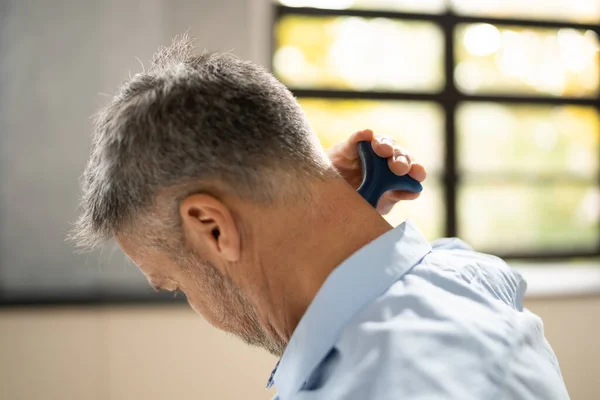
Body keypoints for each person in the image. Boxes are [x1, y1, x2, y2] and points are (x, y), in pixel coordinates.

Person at [71, 37, 569, 399]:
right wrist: (313, 213)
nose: (194, 304)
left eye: (174, 282)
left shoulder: (394, 385)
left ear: (213, 227)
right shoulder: (466, 275)